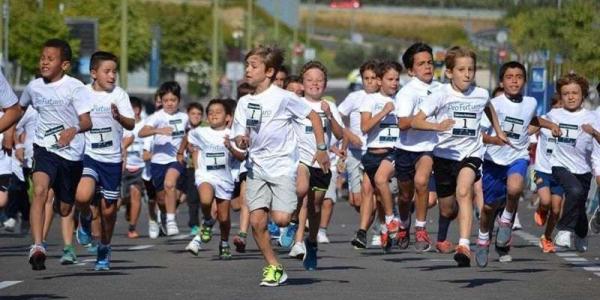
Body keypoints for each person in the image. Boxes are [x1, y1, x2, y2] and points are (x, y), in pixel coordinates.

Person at [232, 45, 329, 286]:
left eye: (253, 66)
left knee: (283, 219)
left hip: (284, 166)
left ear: (269, 71)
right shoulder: (244, 102)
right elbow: (239, 135)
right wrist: (240, 140)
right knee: (256, 221)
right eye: (247, 65)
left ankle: (295, 220)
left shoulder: (284, 98)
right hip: (256, 167)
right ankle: (274, 266)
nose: (247, 70)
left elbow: (314, 117)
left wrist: (321, 148)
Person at [411, 46, 506, 267]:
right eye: (461, 69)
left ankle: (464, 245)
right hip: (444, 156)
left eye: (470, 69)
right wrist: (437, 126)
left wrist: (498, 131)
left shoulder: (481, 93)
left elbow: (488, 108)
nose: (467, 74)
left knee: (464, 191)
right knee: (447, 208)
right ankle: (451, 228)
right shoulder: (440, 94)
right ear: (449, 72)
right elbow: (416, 121)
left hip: (470, 153)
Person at [475, 61, 559, 267]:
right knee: (488, 207)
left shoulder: (530, 102)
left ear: (524, 81)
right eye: (509, 77)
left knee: (515, 188)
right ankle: (483, 238)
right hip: (494, 159)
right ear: (502, 82)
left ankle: (506, 220)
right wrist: (495, 140)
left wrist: (551, 125)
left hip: (517, 155)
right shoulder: (494, 104)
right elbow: (481, 133)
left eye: (519, 77)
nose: (514, 80)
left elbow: (533, 120)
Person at [20, 39, 93, 270]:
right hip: (44, 148)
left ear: (65, 65)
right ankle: (38, 245)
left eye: (50, 59)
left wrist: (73, 130)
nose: (44, 61)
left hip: (71, 155)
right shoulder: (33, 87)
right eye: (42, 57)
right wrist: (11, 132)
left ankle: (84, 218)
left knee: (64, 208)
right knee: (40, 190)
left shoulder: (75, 87)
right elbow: (17, 110)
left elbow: (86, 121)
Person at [288, 61, 343, 270]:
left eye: (319, 80)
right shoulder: (295, 104)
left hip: (323, 163)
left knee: (315, 205)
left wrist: (329, 115)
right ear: (302, 84)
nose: (314, 84)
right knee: (301, 192)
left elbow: (339, 135)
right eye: (309, 80)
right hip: (300, 159)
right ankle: (298, 240)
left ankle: (311, 242)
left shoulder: (329, 106)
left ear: (325, 85)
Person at [394, 42, 441, 252]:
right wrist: (426, 122)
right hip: (406, 149)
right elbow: (403, 124)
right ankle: (404, 224)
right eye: (421, 64)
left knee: (422, 182)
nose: (427, 67)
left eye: (430, 62)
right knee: (405, 196)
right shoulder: (407, 92)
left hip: (428, 147)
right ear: (411, 70)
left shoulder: (442, 89)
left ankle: (420, 228)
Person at [352, 60, 402, 252]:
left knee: (381, 183)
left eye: (397, 79)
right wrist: (384, 112)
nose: (394, 83)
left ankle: (390, 221)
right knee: (368, 193)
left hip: (392, 152)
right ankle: (366, 232)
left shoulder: (402, 100)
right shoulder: (370, 100)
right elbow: (365, 127)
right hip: (372, 153)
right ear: (380, 81)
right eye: (390, 79)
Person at [185, 99, 244, 259]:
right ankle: (208, 220)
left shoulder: (233, 135)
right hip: (206, 175)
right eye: (210, 112)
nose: (213, 115)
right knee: (205, 200)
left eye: (218, 112)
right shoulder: (200, 132)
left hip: (225, 178)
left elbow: (241, 156)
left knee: (224, 218)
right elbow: (189, 139)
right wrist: (184, 150)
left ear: (227, 117)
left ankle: (224, 243)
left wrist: (230, 147)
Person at [548, 73, 599, 252]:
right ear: (561, 96)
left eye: (575, 93)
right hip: (559, 164)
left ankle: (581, 233)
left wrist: (593, 132)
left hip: (583, 169)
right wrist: (549, 126)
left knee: (579, 203)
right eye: (566, 93)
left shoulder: (592, 117)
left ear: (582, 95)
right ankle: (563, 230)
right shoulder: (555, 113)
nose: (570, 97)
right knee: (574, 191)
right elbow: (538, 121)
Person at [139, 81, 189, 236]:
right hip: (158, 162)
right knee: (161, 200)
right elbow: (141, 133)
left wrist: (185, 150)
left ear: (178, 100)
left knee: (170, 184)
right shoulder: (156, 117)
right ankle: (162, 214)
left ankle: (171, 221)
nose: (169, 104)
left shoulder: (184, 117)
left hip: (176, 160)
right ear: (161, 100)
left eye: (173, 100)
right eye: (166, 100)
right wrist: (158, 130)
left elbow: (189, 134)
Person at [532, 95, 564, 253]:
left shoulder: (568, 123)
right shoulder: (543, 119)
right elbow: (530, 130)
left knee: (557, 209)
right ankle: (542, 209)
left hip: (560, 171)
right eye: (557, 106)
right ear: (552, 106)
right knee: (545, 201)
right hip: (542, 169)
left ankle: (547, 237)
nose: (560, 109)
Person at [121, 97, 148, 239]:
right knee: (122, 199)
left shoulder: (145, 126)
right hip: (123, 167)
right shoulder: (120, 125)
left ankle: (132, 227)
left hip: (139, 167)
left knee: (136, 194)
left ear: (137, 110)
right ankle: (128, 207)